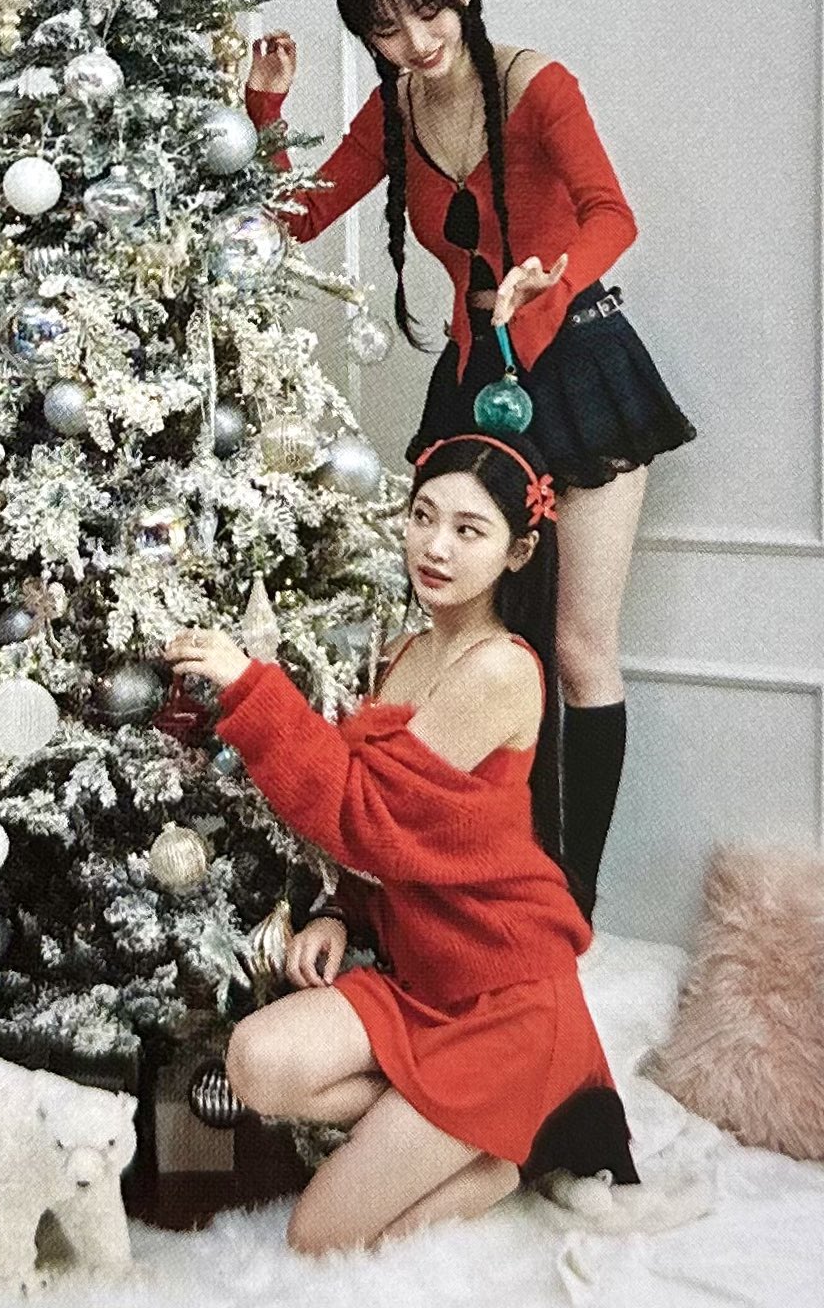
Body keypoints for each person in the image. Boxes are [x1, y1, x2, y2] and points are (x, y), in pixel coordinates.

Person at [244, 0, 695, 918]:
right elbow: (294, 218)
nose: (414, 42)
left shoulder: (535, 86)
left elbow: (611, 213)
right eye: (385, 29)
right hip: (474, 384)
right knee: (473, 647)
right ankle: (480, 882)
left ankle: (569, 901)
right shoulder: (393, 113)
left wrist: (550, 283)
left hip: (580, 368)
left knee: (575, 648)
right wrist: (264, 111)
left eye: (426, 12)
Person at [166, 432, 636, 1255]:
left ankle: (503, 1152)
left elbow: (364, 809)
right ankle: (478, 1130)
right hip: (421, 983)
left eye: (468, 529)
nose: (435, 546)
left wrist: (251, 687)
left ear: (519, 552)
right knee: (256, 1062)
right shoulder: (404, 651)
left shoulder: (500, 669)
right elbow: (406, 838)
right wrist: (342, 915)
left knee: (317, 1239)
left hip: (505, 1002)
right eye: (423, 517)